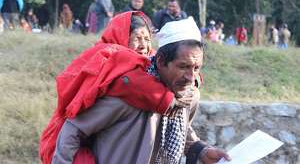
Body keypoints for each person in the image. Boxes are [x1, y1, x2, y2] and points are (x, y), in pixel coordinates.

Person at [50, 17, 230, 164]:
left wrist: (200, 150)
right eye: (183, 66)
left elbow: (180, 127)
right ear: (160, 61)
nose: (191, 77)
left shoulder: (188, 96)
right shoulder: (128, 94)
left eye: (197, 68)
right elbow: (73, 130)